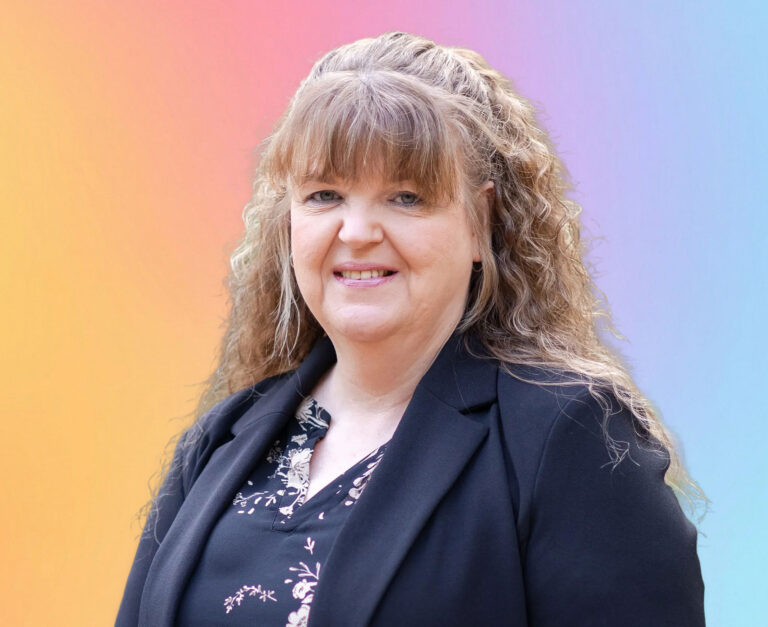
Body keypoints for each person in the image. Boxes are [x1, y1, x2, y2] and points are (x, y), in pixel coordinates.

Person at [116, 31, 706, 627]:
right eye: (325, 195)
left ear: (482, 222)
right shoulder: (221, 441)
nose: (356, 232)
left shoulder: (568, 438)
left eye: (406, 197)